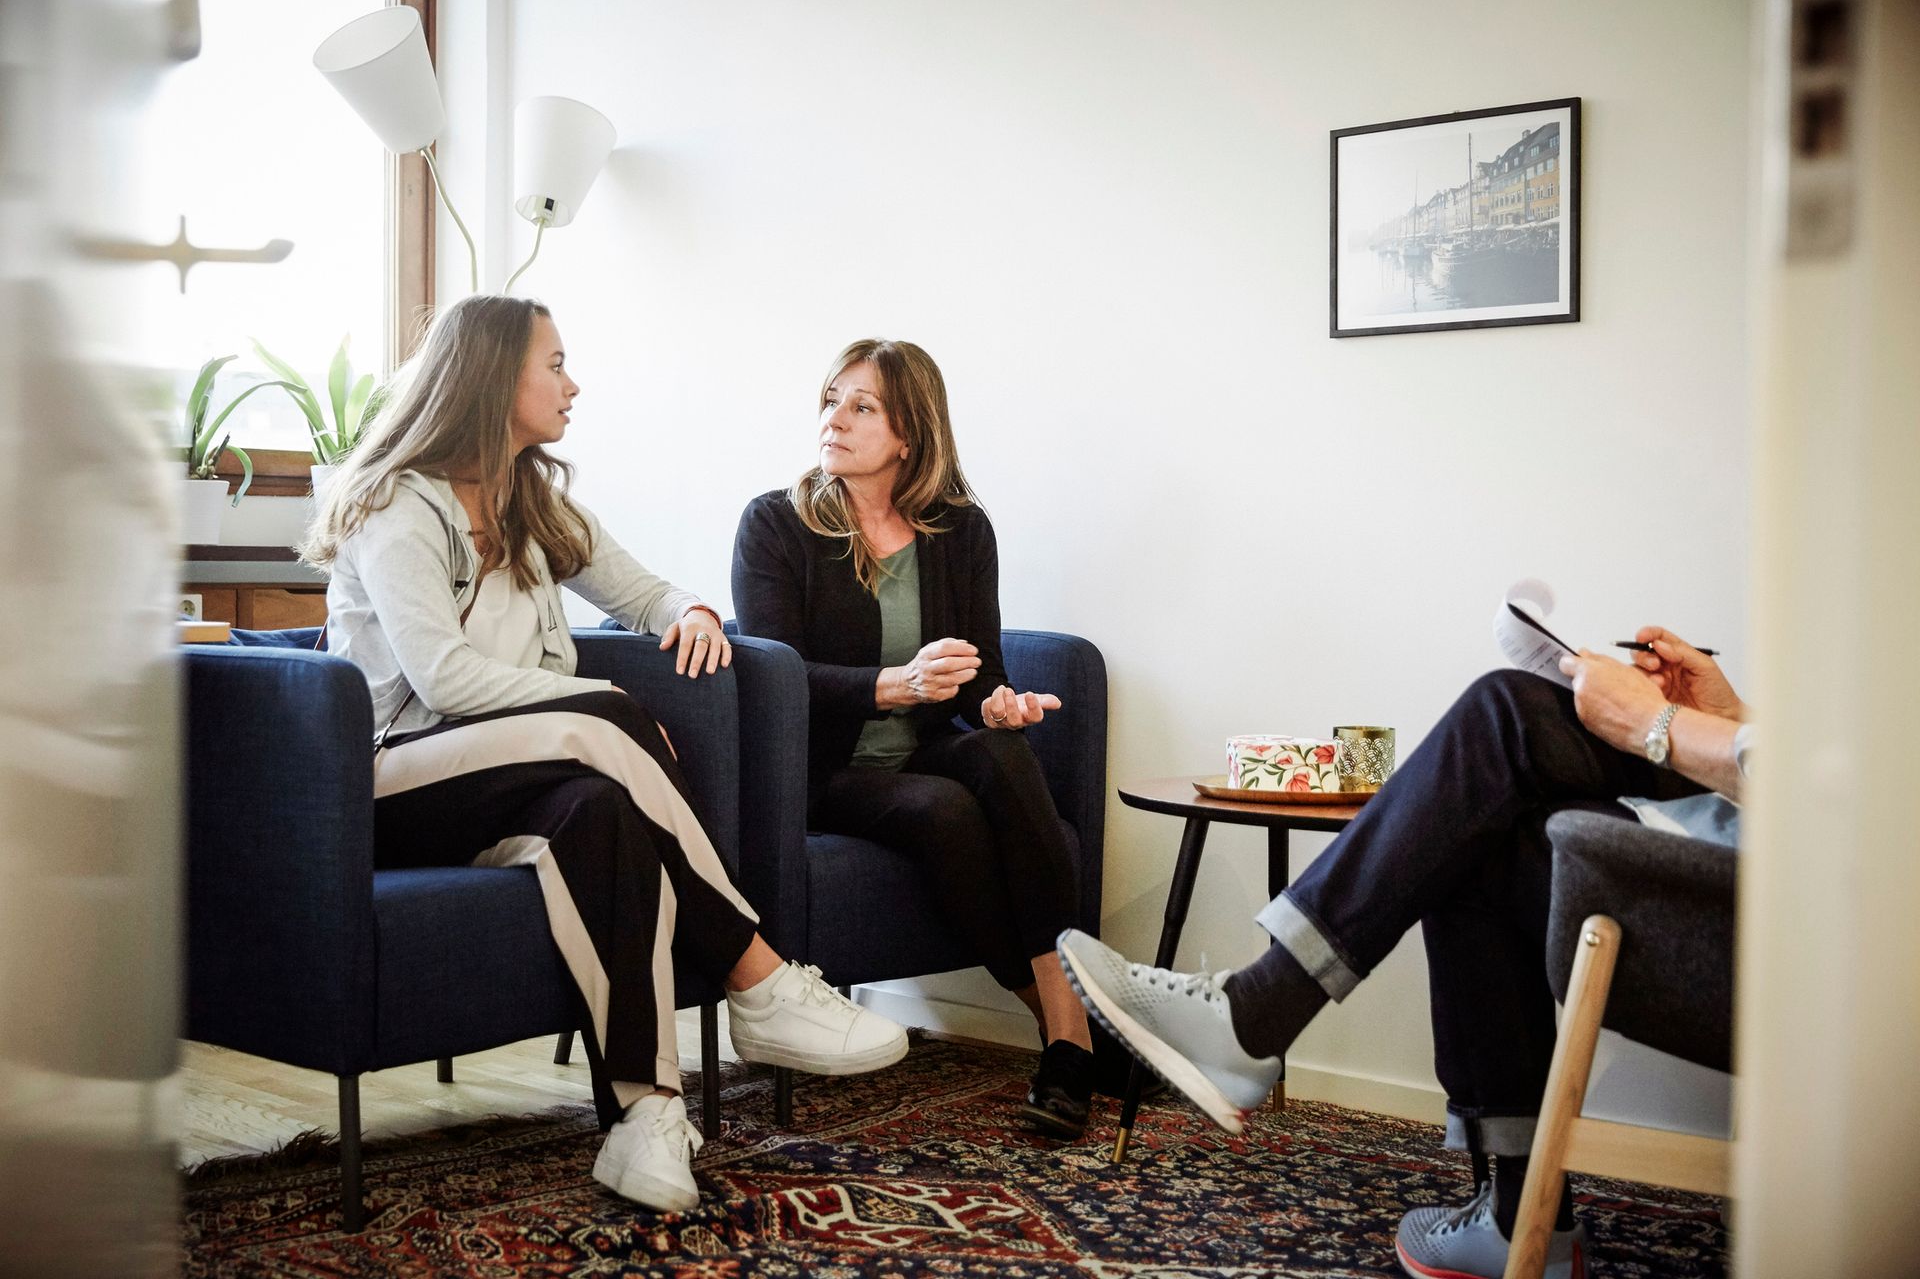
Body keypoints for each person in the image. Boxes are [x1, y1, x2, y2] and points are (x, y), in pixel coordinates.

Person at [301, 295, 907, 1215]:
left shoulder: (532, 500)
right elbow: (447, 680)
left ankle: (647, 1117)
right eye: (555, 364)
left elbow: (643, 593)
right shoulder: (394, 503)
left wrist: (692, 615)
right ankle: (760, 978)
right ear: (494, 377)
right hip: (394, 777)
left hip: (520, 776)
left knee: (605, 813)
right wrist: (598, 705)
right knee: (610, 721)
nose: (571, 383)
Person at [1059, 634, 1754, 1279]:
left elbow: (1838, 801)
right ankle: (1518, 1212)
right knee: (1477, 813)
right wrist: (1728, 717)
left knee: (1501, 714)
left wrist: (1655, 724)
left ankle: (1257, 1013)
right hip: (1722, 867)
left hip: (1751, 926)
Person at [731, 338, 1104, 1139]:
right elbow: (774, 678)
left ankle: (1067, 1038)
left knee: (1003, 755)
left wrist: (1001, 706)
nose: (835, 418)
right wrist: (891, 684)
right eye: (832, 398)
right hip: (825, 769)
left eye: (861, 405)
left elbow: (980, 675)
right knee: (943, 811)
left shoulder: (960, 530)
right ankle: (1069, 1031)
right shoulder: (776, 523)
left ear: (909, 434)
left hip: (928, 745)